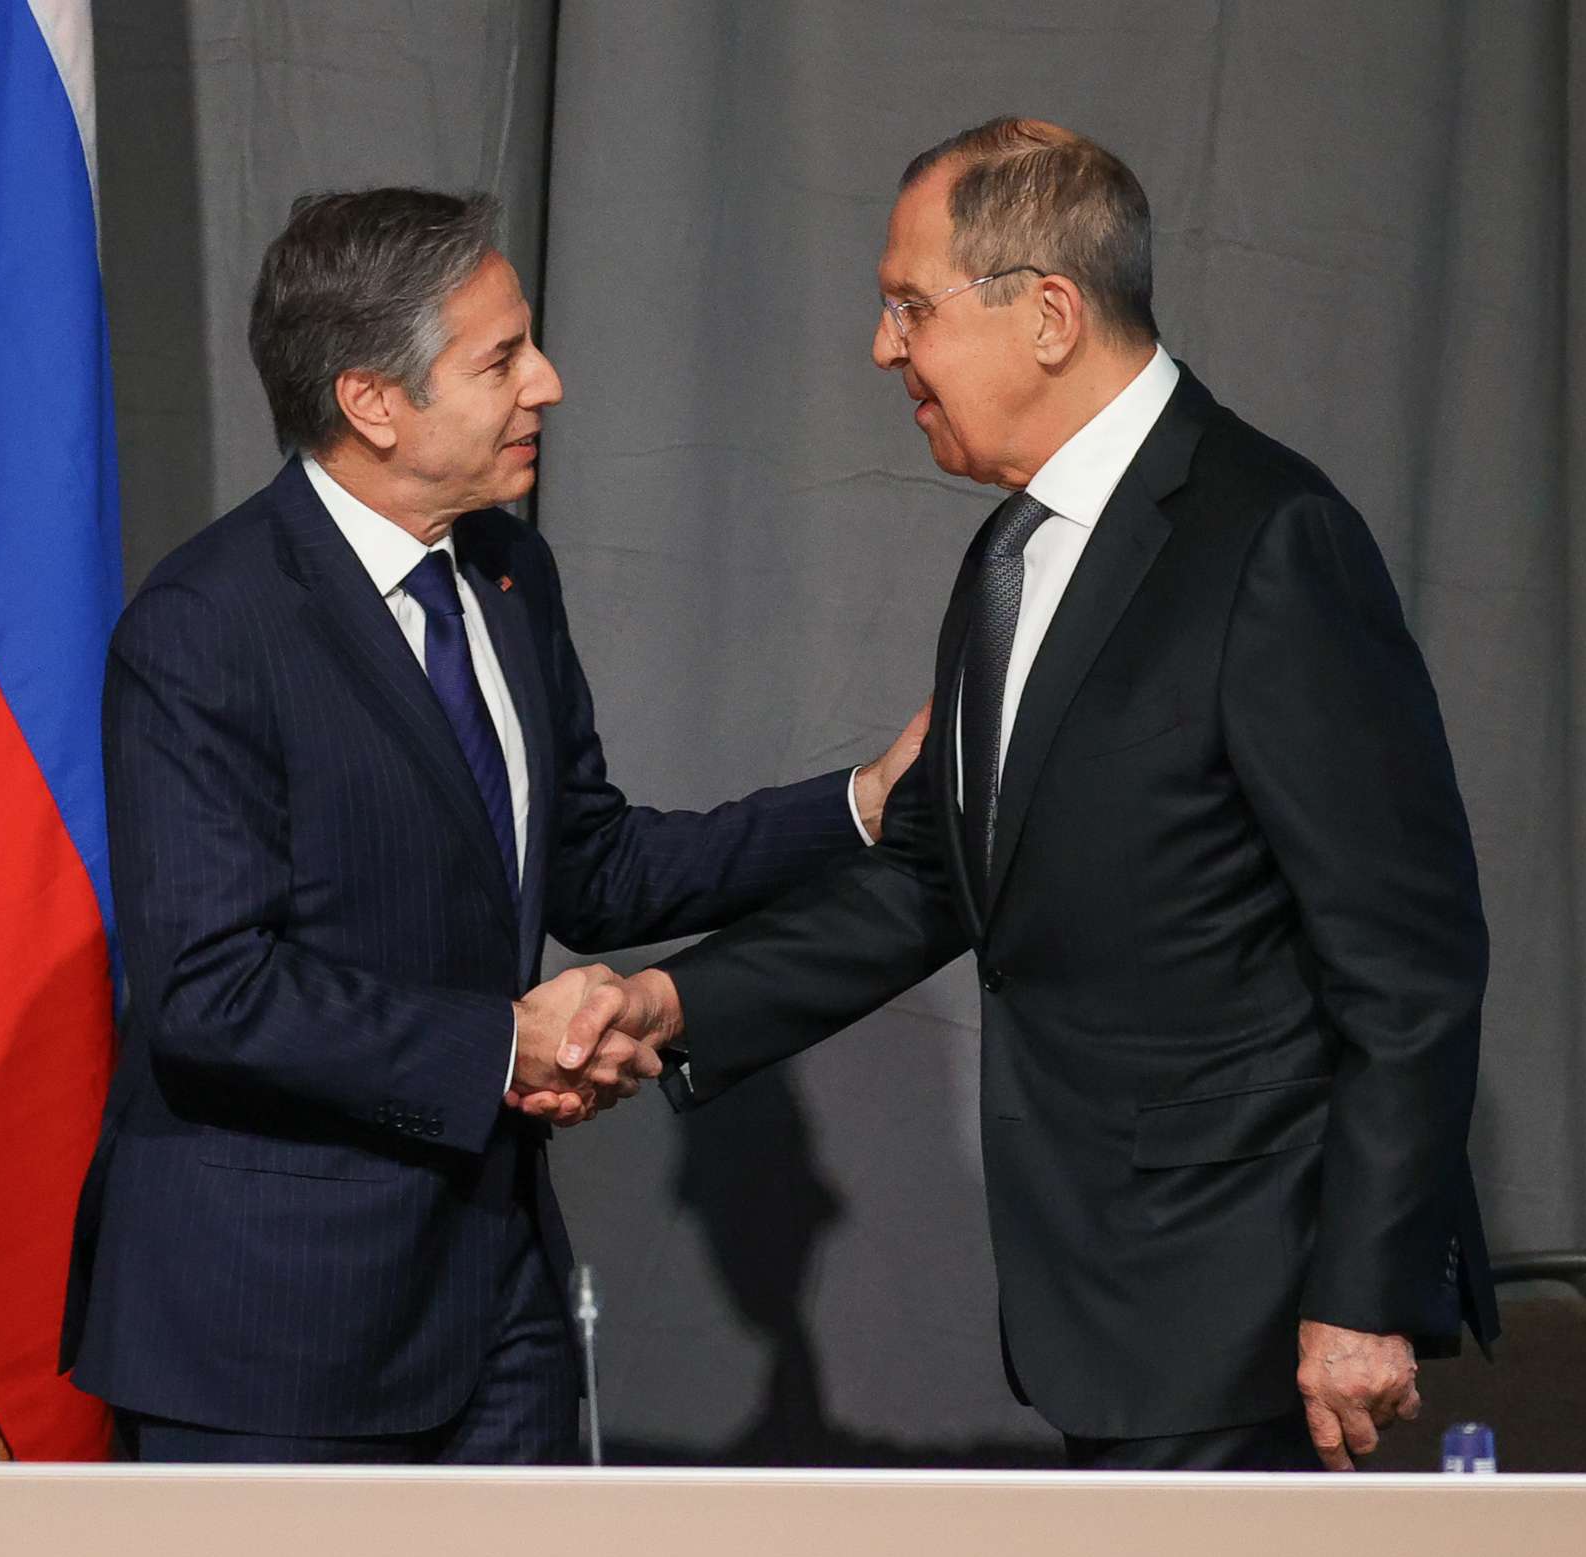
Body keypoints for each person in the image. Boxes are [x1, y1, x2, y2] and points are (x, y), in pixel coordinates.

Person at [545, 119, 1497, 1470]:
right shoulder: (1011, 557)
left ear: (1048, 314)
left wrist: (1360, 1296)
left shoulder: (1271, 541)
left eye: (908, 308)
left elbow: (1408, 960)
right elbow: (946, 877)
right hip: (1101, 1300)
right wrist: (671, 1003)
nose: (884, 350)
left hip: (1254, 1304)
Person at [61, 188, 927, 1464]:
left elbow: (595, 863)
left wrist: (861, 804)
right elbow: (210, 990)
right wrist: (498, 1048)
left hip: (495, 1298)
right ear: (373, 402)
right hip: (269, 1327)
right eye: (502, 357)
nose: (550, 383)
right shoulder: (209, 628)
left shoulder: (512, 577)